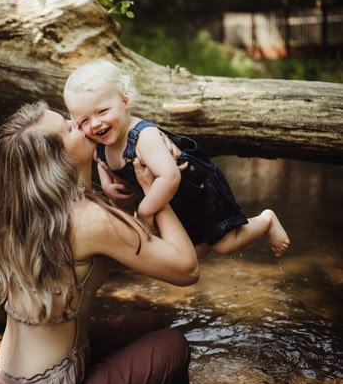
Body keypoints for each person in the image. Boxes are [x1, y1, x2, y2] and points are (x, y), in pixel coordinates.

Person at [0, 101, 199, 384]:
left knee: (146, 325)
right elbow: (186, 268)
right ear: (57, 164)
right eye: (68, 128)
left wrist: (108, 172)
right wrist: (158, 190)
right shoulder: (86, 220)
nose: (79, 124)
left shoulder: (18, 211)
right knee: (173, 344)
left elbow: (116, 232)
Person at [64, 59, 290, 261]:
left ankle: (265, 220)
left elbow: (170, 176)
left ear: (125, 101)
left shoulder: (144, 137)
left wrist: (145, 210)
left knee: (224, 244)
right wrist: (107, 185)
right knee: (196, 252)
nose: (94, 124)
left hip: (198, 189)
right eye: (84, 120)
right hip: (171, 202)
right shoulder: (100, 144)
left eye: (102, 111)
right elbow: (101, 163)